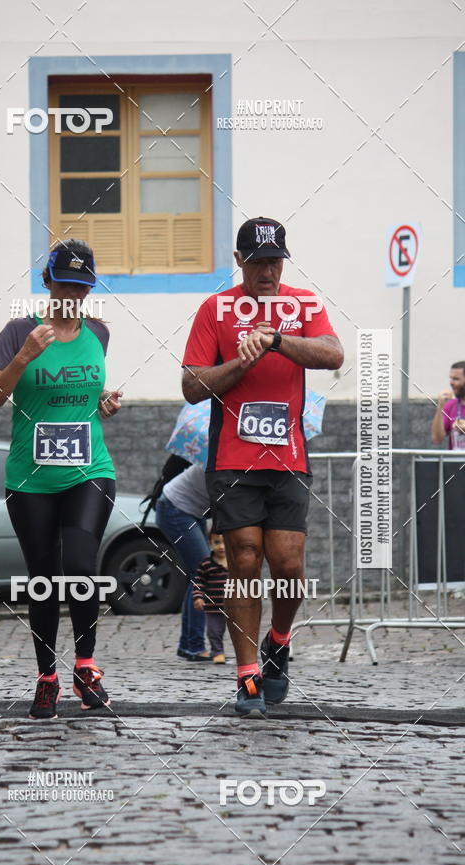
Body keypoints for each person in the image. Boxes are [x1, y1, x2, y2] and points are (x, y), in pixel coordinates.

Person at [181, 216, 344, 716]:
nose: (268, 272)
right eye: (258, 262)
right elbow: (191, 385)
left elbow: (333, 354)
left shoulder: (304, 304)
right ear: (239, 262)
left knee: (289, 564)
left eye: (275, 261)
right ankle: (247, 674)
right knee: (245, 561)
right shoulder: (216, 309)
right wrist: (242, 362)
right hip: (231, 459)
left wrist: (275, 340)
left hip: (289, 456)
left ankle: (278, 640)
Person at [0, 238, 122, 719]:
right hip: (31, 477)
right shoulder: (18, 331)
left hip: (89, 469)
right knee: (43, 579)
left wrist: (106, 403)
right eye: (66, 285)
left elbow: (91, 395)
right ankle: (47, 676)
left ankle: (85, 665)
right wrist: (23, 356)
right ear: (47, 282)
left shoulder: (99, 333)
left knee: (81, 567)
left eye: (82, 288)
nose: (74, 296)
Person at [155, 463, 212, 661]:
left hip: (193, 510)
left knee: (198, 575)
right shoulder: (222, 459)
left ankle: (188, 645)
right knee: (204, 573)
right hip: (175, 509)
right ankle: (194, 646)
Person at [193, 531, 229, 663]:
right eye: (217, 542)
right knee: (214, 631)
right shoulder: (206, 564)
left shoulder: (235, 561)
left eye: (225, 542)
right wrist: (198, 597)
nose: (221, 547)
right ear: (210, 543)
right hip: (214, 607)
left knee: (240, 630)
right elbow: (199, 582)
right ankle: (217, 652)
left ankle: (243, 651)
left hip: (235, 606)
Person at [431, 361, 465, 451]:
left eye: (456, 379)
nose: (451, 383)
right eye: (451, 379)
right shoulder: (451, 405)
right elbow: (437, 439)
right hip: (456, 463)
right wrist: (440, 407)